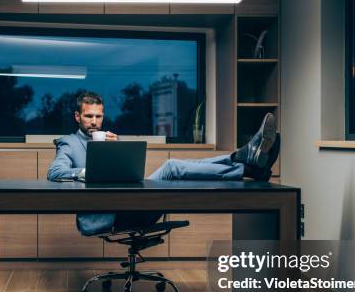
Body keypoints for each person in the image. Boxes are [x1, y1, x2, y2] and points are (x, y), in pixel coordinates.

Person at [48, 91, 280, 236]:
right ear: (78, 117)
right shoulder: (69, 143)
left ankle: (243, 162)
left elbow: (128, 173)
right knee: (171, 168)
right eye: (89, 116)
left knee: (177, 168)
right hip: (109, 215)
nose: (95, 122)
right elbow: (55, 172)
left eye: (99, 116)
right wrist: (90, 172)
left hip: (131, 201)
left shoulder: (109, 139)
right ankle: (243, 162)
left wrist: (115, 148)